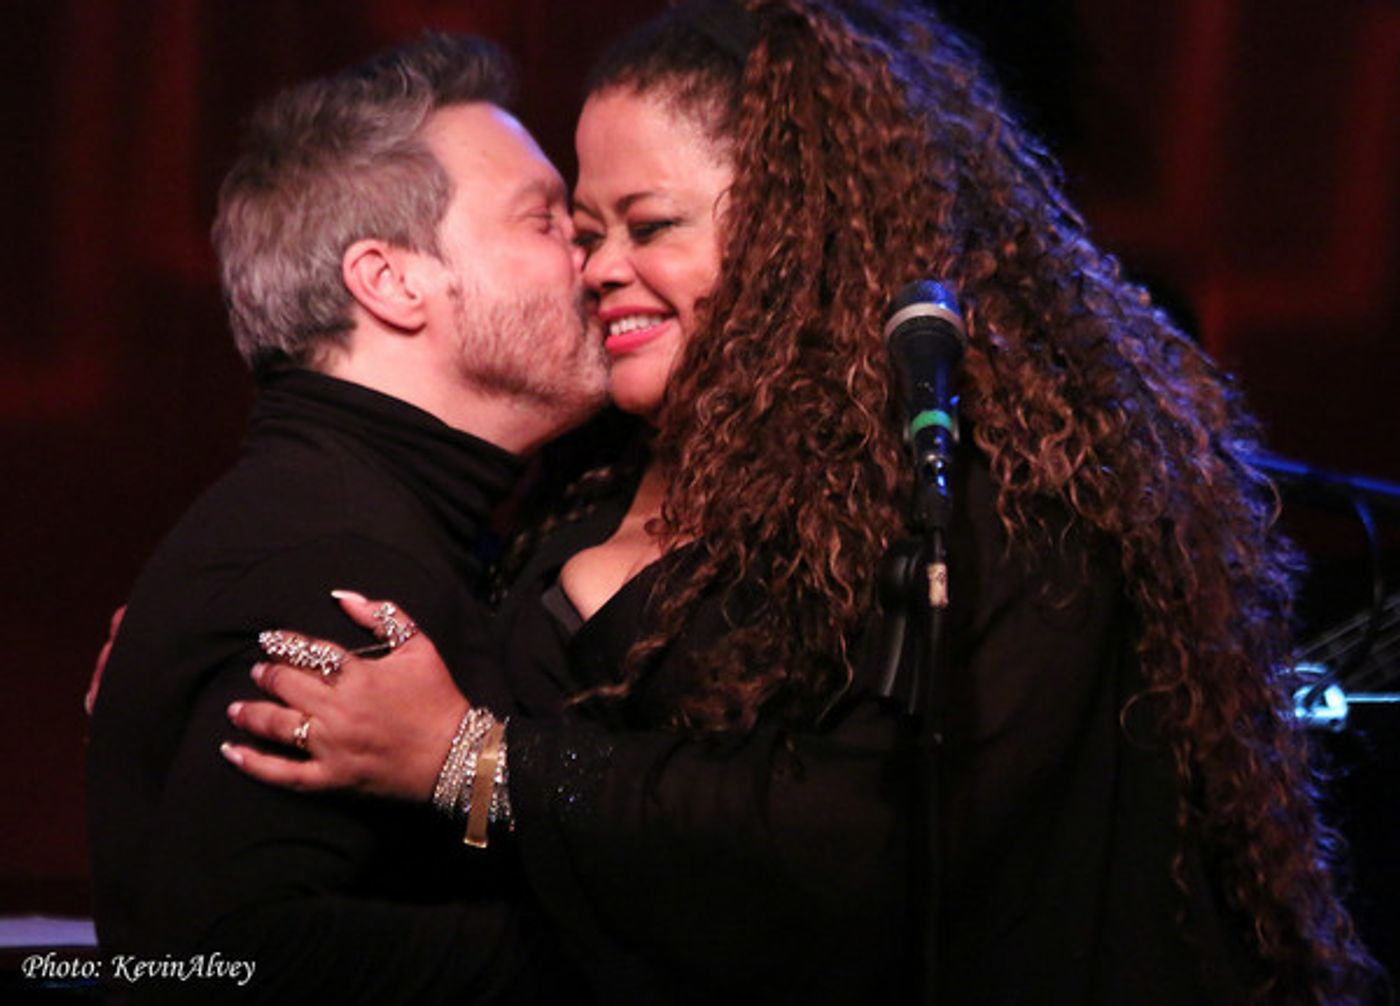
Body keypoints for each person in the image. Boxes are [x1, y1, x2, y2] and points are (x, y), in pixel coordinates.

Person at [222, 1, 1380, 1003]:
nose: (595, 266)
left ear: (796, 228)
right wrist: (212, 640)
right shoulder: (589, 484)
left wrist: (478, 760)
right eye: (581, 231)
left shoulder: (984, 491)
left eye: (648, 224)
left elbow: (852, 837)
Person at [85, 33, 607, 1003]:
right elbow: (229, 955)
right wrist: (638, 967)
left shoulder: (353, 512)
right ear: (391, 281)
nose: (594, 257)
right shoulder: (337, 559)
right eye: (546, 221)